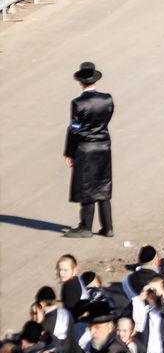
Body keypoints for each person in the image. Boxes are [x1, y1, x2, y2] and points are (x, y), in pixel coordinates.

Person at [62, 62, 115, 238]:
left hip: (86, 148)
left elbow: (74, 129)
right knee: (103, 184)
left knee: (87, 186)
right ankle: (108, 227)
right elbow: (107, 119)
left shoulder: (78, 103)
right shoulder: (107, 99)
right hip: (104, 146)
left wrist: (69, 152)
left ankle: (85, 226)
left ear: (80, 82)